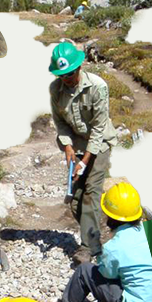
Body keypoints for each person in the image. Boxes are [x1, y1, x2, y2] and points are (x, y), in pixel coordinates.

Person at [51, 182, 152, 302]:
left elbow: (107, 274)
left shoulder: (113, 247)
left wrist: (98, 253)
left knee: (84, 271)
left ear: (110, 216)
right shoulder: (149, 232)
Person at [49, 42, 119, 264]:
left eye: (70, 73)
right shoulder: (55, 89)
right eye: (62, 75)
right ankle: (95, 235)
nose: (66, 79)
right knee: (75, 199)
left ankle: (88, 248)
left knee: (90, 193)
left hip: (100, 144)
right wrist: (68, 147)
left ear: (79, 67)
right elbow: (60, 122)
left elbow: (99, 128)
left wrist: (85, 161)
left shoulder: (98, 87)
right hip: (76, 145)